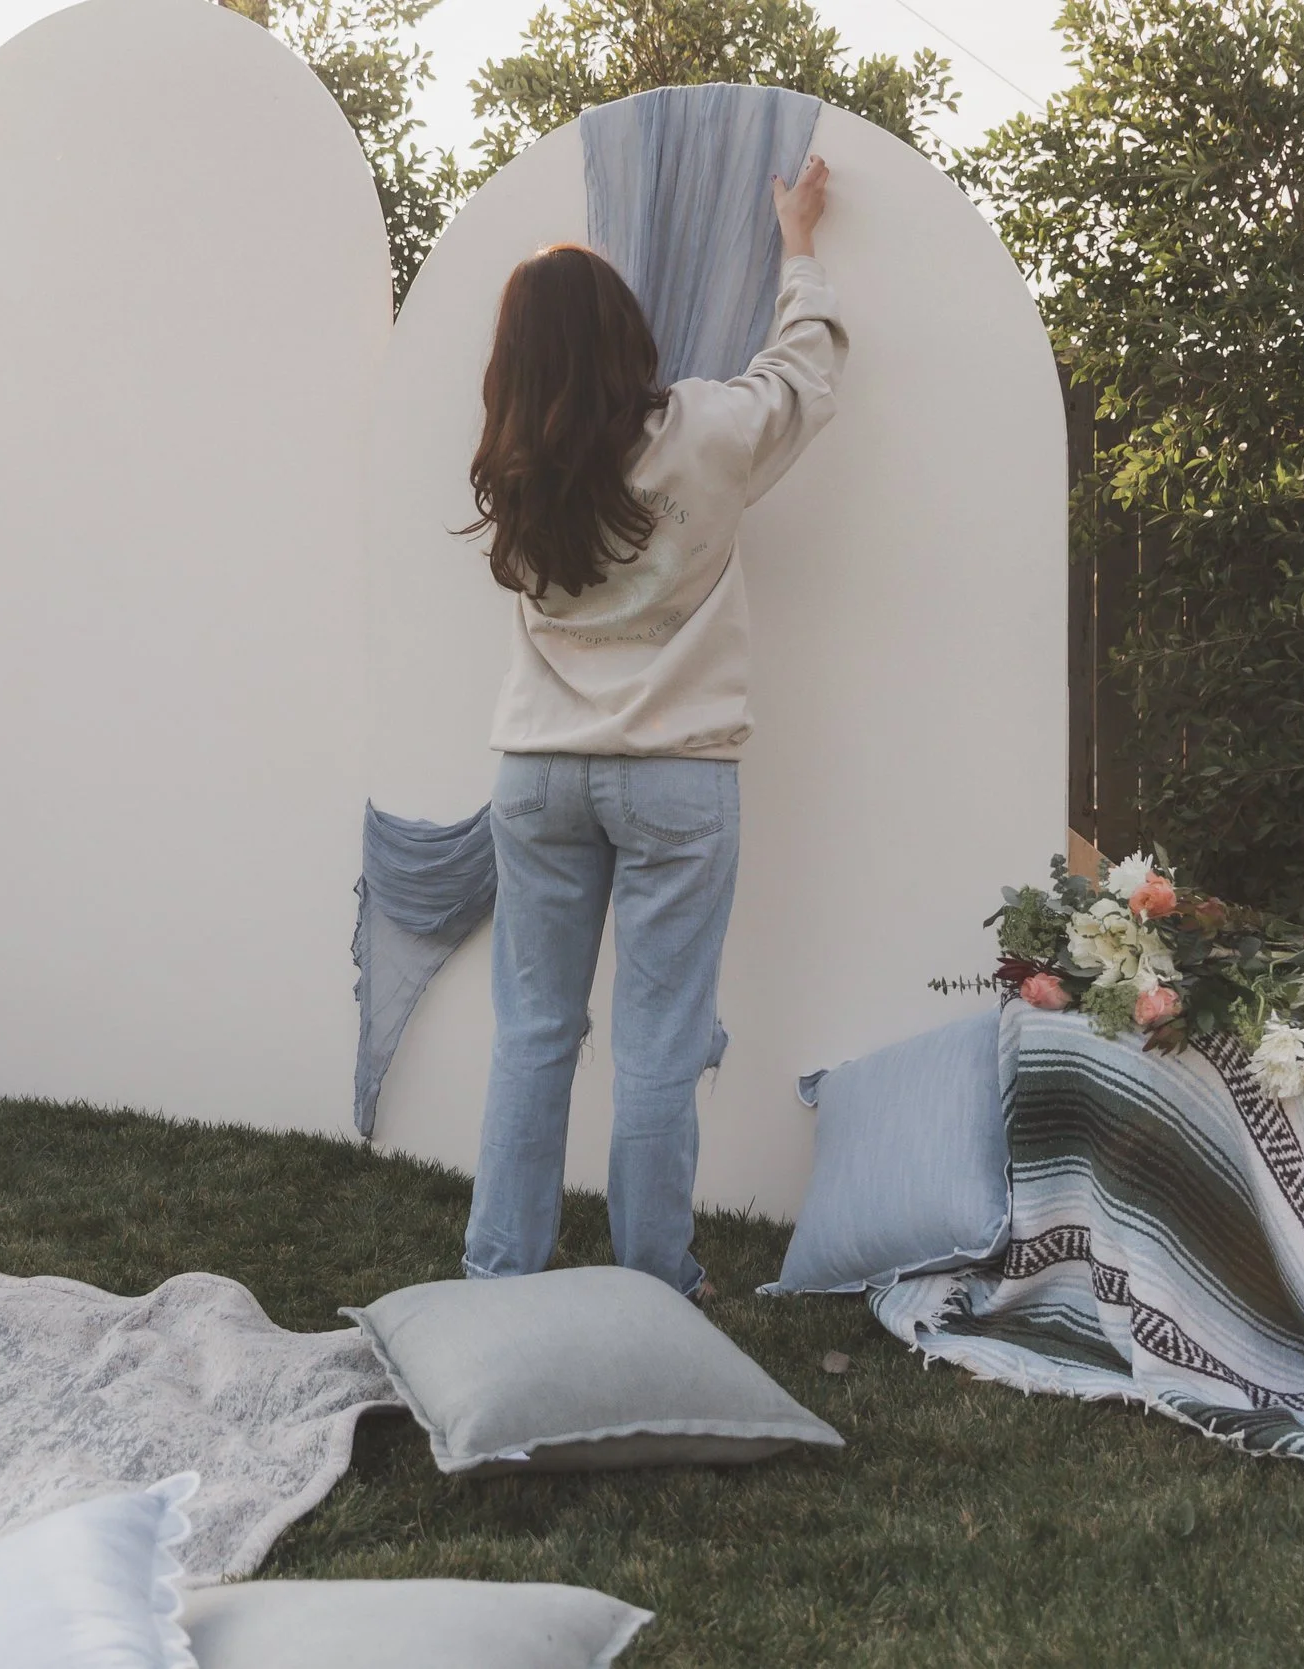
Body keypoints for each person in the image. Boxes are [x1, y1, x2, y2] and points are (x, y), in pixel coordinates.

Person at [461, 157, 842, 1295]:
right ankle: (650, 1280)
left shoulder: (512, 467)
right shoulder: (708, 432)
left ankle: (497, 1273)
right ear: (627, 332)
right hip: (675, 776)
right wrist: (798, 244)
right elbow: (804, 375)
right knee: (658, 1050)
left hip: (536, 774)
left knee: (532, 1034)